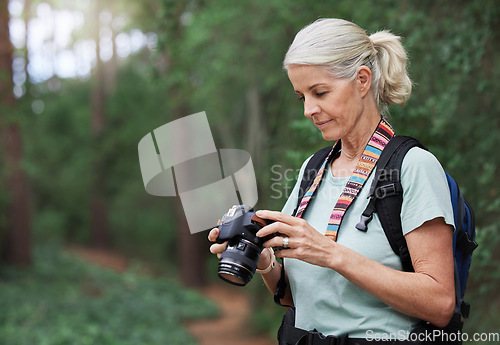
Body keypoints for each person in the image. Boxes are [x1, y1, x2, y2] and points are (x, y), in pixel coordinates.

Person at [208, 18, 455, 344]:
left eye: (320, 92)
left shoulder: (414, 167)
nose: (309, 109)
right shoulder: (315, 170)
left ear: (362, 80)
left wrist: (331, 254)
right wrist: (265, 261)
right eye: (301, 97)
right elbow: (297, 299)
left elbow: (440, 304)